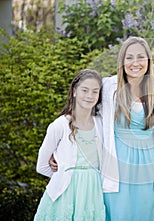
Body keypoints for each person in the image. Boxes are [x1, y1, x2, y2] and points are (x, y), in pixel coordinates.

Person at [100, 36, 154, 221]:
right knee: (120, 214)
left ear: (148, 61)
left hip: (148, 168)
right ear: (122, 61)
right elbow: (83, 114)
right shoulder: (108, 87)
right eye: (129, 57)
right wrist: (60, 145)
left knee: (145, 214)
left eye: (140, 57)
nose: (135, 63)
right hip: (118, 166)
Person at [34, 69, 106, 220]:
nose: (89, 96)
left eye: (95, 92)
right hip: (64, 194)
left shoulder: (101, 124)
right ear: (74, 91)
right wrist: (63, 172)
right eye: (84, 90)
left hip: (92, 194)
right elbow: (41, 166)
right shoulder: (60, 125)